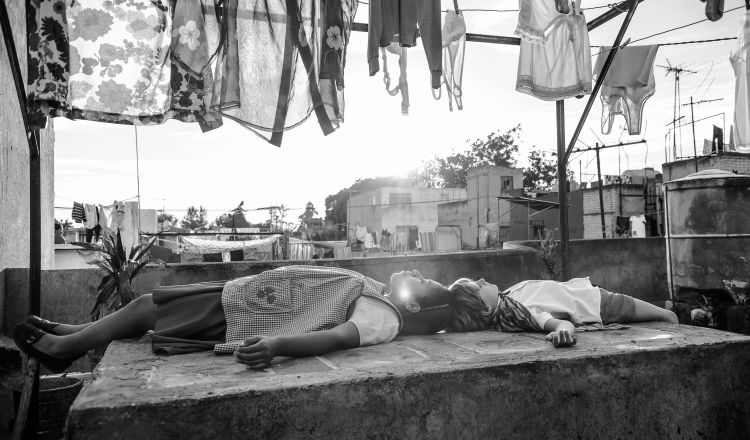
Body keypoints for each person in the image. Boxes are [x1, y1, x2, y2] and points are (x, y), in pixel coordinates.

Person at [13, 266, 463, 373]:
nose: (415, 275)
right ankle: (76, 334)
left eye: (420, 283)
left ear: (416, 307)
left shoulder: (382, 316)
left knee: (149, 307)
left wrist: (278, 346)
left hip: (247, 314)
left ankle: (63, 349)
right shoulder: (382, 296)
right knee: (145, 306)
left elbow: (338, 337)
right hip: (248, 298)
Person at [446, 277, 679, 348]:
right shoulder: (518, 312)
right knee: (667, 317)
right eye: (478, 286)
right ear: (485, 308)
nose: (482, 279)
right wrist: (562, 333)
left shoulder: (507, 302)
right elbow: (557, 324)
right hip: (599, 305)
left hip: (590, 296)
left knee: (663, 316)